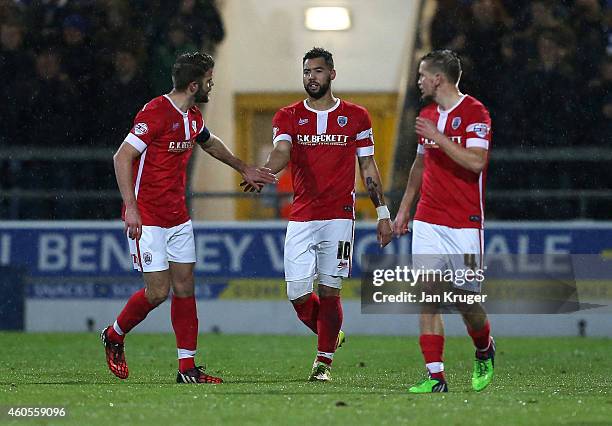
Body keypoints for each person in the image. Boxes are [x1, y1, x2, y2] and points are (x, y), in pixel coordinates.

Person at [101, 52, 276, 384]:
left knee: (185, 287)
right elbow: (122, 156)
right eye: (209, 79)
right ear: (194, 84)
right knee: (157, 292)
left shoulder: (193, 116)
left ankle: (187, 369)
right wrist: (132, 208)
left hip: (177, 216)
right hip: (148, 216)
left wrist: (244, 167)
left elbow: (209, 144)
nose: (212, 84)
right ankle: (114, 334)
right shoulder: (155, 112)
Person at [243, 47, 393, 381]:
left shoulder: (356, 116)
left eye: (318, 71)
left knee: (330, 289)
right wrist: (268, 171)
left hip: (339, 215)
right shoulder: (288, 115)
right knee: (296, 293)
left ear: (332, 74)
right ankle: (331, 335)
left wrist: (383, 212)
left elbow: (367, 164)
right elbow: (282, 150)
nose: (312, 77)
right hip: (302, 214)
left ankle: (323, 361)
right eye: (307, 72)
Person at [393, 50, 495, 393]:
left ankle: (484, 348)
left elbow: (476, 162)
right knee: (428, 294)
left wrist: (438, 137)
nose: (418, 80)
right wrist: (405, 209)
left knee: (466, 301)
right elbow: (420, 165)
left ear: (438, 78)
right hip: (429, 219)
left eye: (422, 74)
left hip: (465, 222)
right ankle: (435, 376)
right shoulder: (425, 114)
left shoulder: (475, 112)